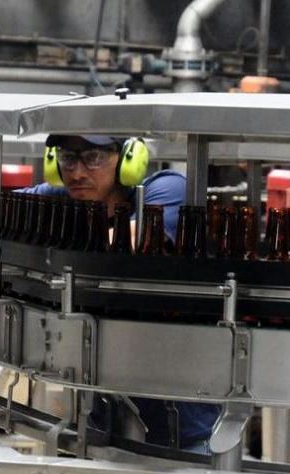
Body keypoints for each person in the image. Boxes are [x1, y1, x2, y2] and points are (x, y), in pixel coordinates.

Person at [20, 134, 220, 452]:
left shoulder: (168, 188)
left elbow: (131, 240)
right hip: (104, 405)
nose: (77, 172)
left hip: (180, 410)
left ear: (129, 158)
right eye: (67, 158)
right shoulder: (66, 197)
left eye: (94, 157)